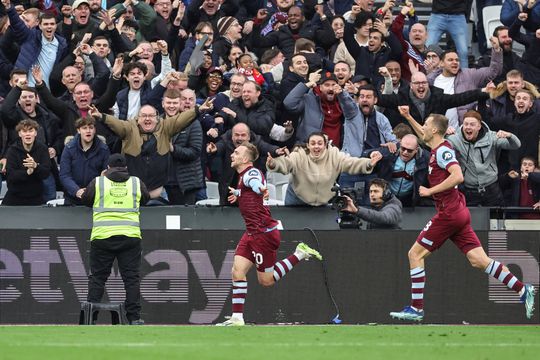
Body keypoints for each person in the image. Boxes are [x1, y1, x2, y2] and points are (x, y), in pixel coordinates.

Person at [389, 114, 536, 322]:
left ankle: (416, 308)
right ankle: (522, 289)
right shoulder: (436, 147)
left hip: (449, 214)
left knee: (415, 254)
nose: (423, 128)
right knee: (479, 260)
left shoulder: (443, 152)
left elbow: (458, 176)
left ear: (434, 131)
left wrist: (431, 192)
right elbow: (422, 134)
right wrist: (406, 116)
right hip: (458, 212)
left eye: (426, 125)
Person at [216, 142, 322, 326]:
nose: (232, 154)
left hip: (263, 234)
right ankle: (237, 318)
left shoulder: (251, 173)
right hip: (251, 233)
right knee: (237, 271)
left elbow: (256, 183)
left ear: (245, 159)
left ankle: (299, 253)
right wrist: (239, 193)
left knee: (266, 281)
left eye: (236, 152)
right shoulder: (242, 177)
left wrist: (260, 188)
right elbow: (250, 190)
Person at [81, 153, 150, 325]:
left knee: (98, 278)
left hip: (102, 236)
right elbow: (146, 199)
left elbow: (86, 200)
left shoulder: (98, 182)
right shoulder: (135, 182)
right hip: (130, 236)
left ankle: (91, 318)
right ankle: (134, 318)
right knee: (131, 278)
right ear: (126, 168)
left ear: (108, 168)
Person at [266, 131, 382, 206]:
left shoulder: (334, 155)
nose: (316, 146)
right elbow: (286, 164)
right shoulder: (299, 154)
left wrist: (368, 163)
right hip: (297, 199)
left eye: (320, 143)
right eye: (313, 143)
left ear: (325, 145)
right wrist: (273, 164)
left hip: (323, 201)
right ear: (308, 145)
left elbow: (351, 163)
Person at [447, 110, 520, 207]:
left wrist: (509, 135)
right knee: (471, 220)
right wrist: (444, 133)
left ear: (479, 126)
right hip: (469, 190)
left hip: (491, 188)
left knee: (496, 219)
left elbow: (516, 145)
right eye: (466, 124)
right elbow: (438, 145)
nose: (468, 127)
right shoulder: (455, 138)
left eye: (472, 124)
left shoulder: (491, 137)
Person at [59, 116, 110, 205]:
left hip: (95, 198)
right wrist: (77, 191)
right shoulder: (69, 148)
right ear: (78, 131)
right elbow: (64, 175)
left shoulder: (104, 149)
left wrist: (91, 191)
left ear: (95, 130)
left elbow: (107, 175)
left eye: (91, 128)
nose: (88, 131)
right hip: (72, 199)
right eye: (84, 128)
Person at [2, 119, 51, 205]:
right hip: (15, 196)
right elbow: (11, 176)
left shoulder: (42, 149)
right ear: (19, 134)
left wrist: (36, 166)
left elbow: (46, 173)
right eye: (24, 131)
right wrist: (27, 172)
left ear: (35, 133)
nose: (28, 134)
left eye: (31, 131)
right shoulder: (12, 150)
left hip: (36, 196)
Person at [377, 134, 429, 207]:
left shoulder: (426, 158)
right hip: (387, 197)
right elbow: (365, 154)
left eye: (409, 150)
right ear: (400, 145)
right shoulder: (390, 150)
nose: (405, 152)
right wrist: (372, 154)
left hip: (409, 200)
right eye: (403, 148)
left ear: (416, 150)